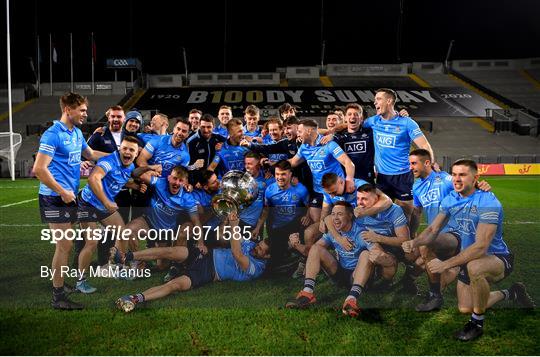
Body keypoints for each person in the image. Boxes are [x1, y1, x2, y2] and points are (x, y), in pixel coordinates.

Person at [402, 159, 535, 341]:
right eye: (455, 174)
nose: (457, 179)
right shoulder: (451, 199)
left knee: (474, 268)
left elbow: (481, 247)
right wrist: (414, 243)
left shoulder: (488, 202)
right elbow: (433, 229)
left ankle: (477, 324)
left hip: (497, 258)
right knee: (466, 307)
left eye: (462, 175)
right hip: (468, 258)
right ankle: (512, 292)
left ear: (476, 178)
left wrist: (446, 265)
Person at [33, 92, 107, 310]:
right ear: (68, 109)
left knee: (73, 242)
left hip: (69, 197)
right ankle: (58, 297)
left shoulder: (76, 133)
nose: (85, 114)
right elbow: (39, 169)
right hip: (54, 197)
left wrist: (117, 154)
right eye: (82, 110)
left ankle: (62, 284)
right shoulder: (52, 134)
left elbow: (91, 154)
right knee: (64, 245)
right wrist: (62, 191)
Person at [115, 212, 270, 313]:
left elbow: (237, 254)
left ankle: (134, 298)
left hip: (209, 272)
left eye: (260, 250)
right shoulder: (250, 245)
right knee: (170, 251)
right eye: (258, 244)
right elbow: (225, 236)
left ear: (267, 257)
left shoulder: (257, 268)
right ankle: (127, 256)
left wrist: (235, 228)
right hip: (207, 255)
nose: (256, 248)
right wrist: (228, 222)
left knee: (174, 285)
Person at [75, 136, 141, 293]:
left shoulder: (130, 166)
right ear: (119, 149)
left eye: (132, 150)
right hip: (88, 204)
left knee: (123, 233)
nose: (127, 152)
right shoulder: (108, 161)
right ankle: (80, 282)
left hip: (103, 205)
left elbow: (119, 178)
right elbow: (93, 178)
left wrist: (134, 185)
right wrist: (106, 202)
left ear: (136, 154)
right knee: (92, 242)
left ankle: (118, 268)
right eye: (124, 148)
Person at [364, 88, 435, 222]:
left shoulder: (407, 122)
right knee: (381, 215)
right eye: (375, 100)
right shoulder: (373, 121)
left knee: (405, 214)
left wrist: (429, 165)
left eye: (378, 99)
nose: (375, 103)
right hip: (382, 177)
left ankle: (408, 239)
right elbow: (353, 127)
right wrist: (332, 131)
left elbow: (424, 145)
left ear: (389, 101)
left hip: (403, 176)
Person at [285, 202, 372, 310]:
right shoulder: (334, 232)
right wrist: (296, 245)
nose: (335, 218)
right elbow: (311, 252)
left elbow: (377, 254)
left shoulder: (361, 233)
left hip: (357, 277)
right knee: (315, 248)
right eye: (333, 214)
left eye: (340, 214)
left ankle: (351, 299)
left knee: (367, 254)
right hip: (340, 273)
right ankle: (307, 293)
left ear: (350, 215)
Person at [289, 119, 356, 223]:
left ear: (309, 131)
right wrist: (274, 164)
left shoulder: (329, 144)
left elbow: (348, 163)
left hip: (335, 190)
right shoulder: (303, 148)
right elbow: (293, 162)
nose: (297, 134)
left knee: (341, 222)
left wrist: (349, 180)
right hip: (318, 192)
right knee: (318, 222)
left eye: (300, 131)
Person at [264, 160, 310, 273]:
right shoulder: (269, 190)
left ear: (290, 174)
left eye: (283, 174)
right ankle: (288, 258)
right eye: (277, 174)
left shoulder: (301, 190)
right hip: (276, 229)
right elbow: (266, 210)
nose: (280, 177)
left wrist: (307, 215)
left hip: (294, 227)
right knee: (272, 268)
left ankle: (302, 259)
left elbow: (309, 206)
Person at [334, 103, 376, 183]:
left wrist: (399, 116)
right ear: (345, 118)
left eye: (356, 114)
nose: (352, 116)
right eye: (349, 114)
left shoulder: (370, 133)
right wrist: (330, 133)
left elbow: (385, 122)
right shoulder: (338, 136)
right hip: (347, 180)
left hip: (367, 179)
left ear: (361, 118)